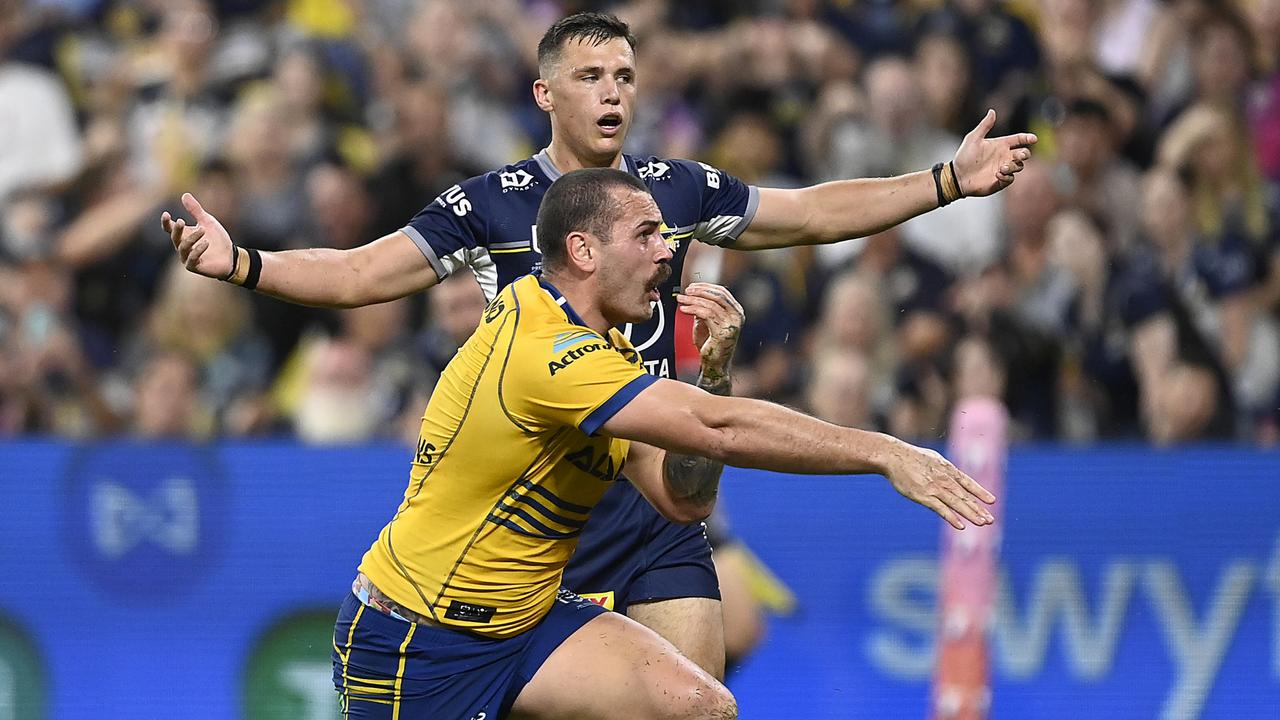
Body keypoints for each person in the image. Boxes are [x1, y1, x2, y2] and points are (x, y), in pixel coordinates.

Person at [162, 11, 1034, 680]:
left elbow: (806, 213)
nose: (614, 92)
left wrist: (945, 181)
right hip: (539, 502)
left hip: (653, 481)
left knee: (696, 693)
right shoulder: (493, 203)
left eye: (624, 74)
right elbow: (357, 275)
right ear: (546, 96)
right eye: (589, 76)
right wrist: (242, 262)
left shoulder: (671, 191)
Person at [332, 167, 995, 719]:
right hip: (417, 640)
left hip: (525, 625)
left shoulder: (607, 350)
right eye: (647, 235)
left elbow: (683, 498)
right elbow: (718, 427)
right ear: (585, 252)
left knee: (698, 705)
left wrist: (711, 376)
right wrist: (883, 452)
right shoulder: (545, 352)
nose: (667, 252)